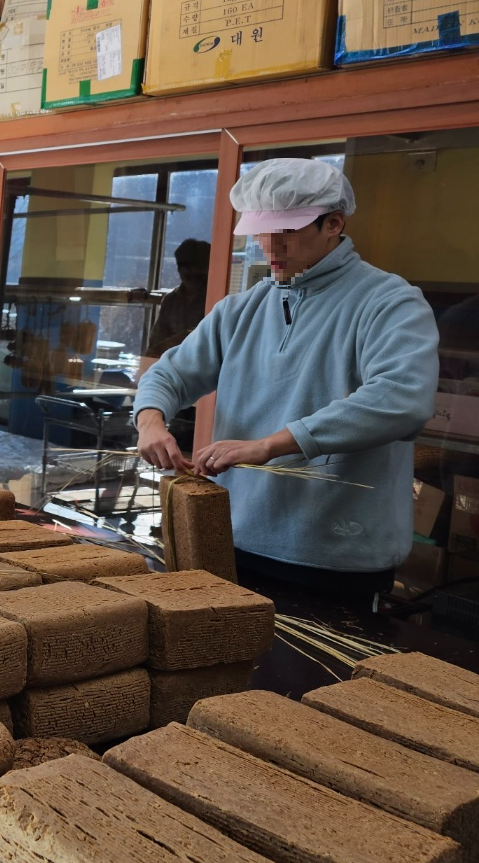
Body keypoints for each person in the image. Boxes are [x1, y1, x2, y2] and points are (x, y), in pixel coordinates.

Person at [134, 158, 439, 604]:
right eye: (261, 232)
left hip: (335, 555)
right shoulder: (242, 309)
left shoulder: (390, 302)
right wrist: (150, 419)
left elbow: (402, 398)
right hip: (230, 539)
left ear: (333, 224)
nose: (269, 247)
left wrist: (271, 445)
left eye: (287, 232)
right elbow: (171, 372)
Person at [145, 238, 211, 357]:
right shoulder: (171, 300)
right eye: (187, 270)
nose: (192, 276)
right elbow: (156, 342)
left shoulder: (215, 299)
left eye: (198, 272)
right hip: (171, 365)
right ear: (179, 269)